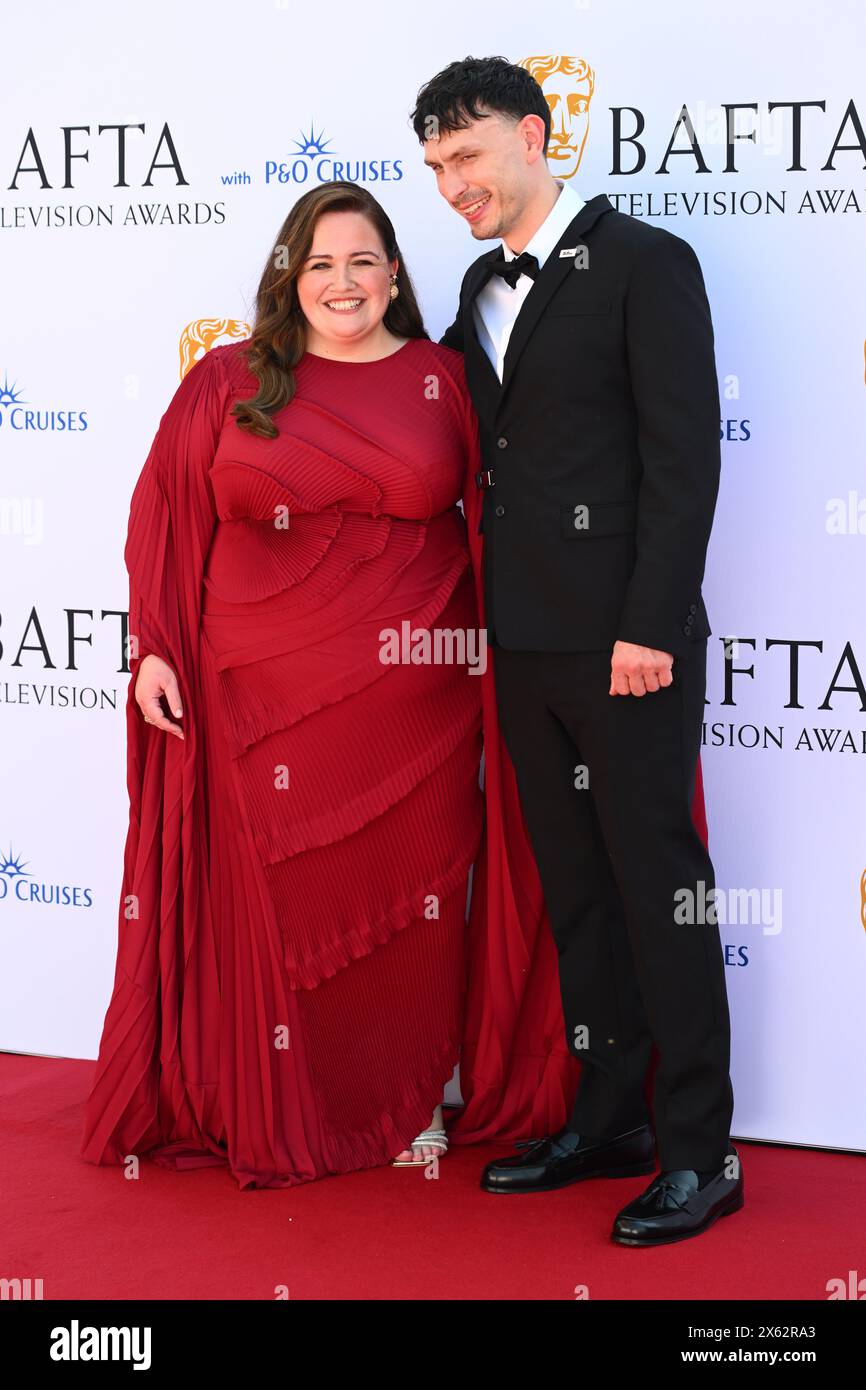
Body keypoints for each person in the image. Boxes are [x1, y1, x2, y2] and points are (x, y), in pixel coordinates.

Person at [81, 181, 500, 1185]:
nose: (341, 281)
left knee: (407, 898)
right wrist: (154, 648)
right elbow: (167, 517)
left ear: (394, 272)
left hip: (416, 701)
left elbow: (497, 522)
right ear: (289, 277)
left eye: (361, 260)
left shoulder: (448, 378)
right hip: (252, 693)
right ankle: (262, 1095)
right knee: (279, 902)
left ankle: (400, 1103)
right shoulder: (229, 379)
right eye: (318, 263)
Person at [411, 56, 743, 1246]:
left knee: (661, 892)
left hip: (625, 648)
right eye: (435, 164)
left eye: (468, 154)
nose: (452, 182)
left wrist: (649, 626)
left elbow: (682, 457)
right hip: (527, 646)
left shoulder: (645, 264)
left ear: (535, 134)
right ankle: (611, 1117)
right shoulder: (472, 283)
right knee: (580, 897)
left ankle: (703, 1152)